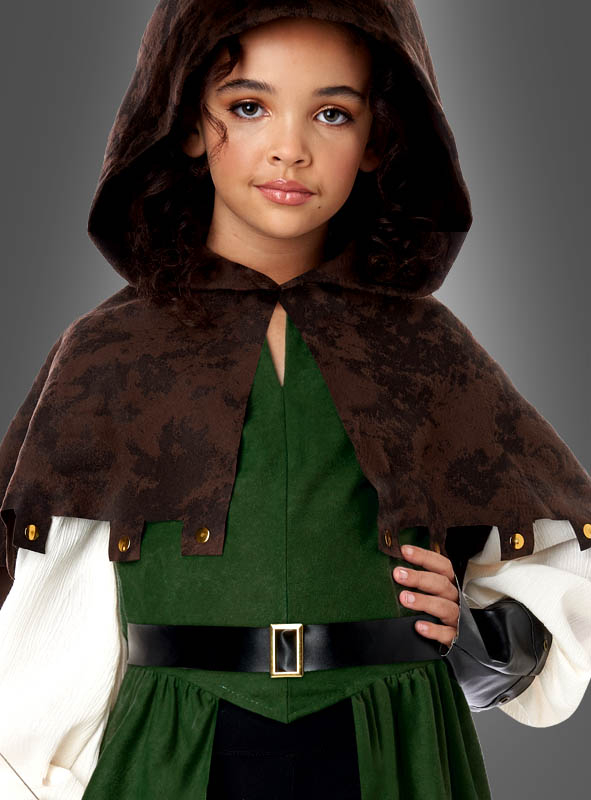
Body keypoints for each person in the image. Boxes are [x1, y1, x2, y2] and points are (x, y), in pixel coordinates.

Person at [1, 2, 590, 799]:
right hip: (174, 750)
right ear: (188, 122)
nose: (290, 147)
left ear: (377, 137)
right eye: (249, 106)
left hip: (395, 739)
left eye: (331, 113)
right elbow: (48, 611)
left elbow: (555, 562)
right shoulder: (110, 355)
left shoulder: (427, 350)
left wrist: (474, 632)